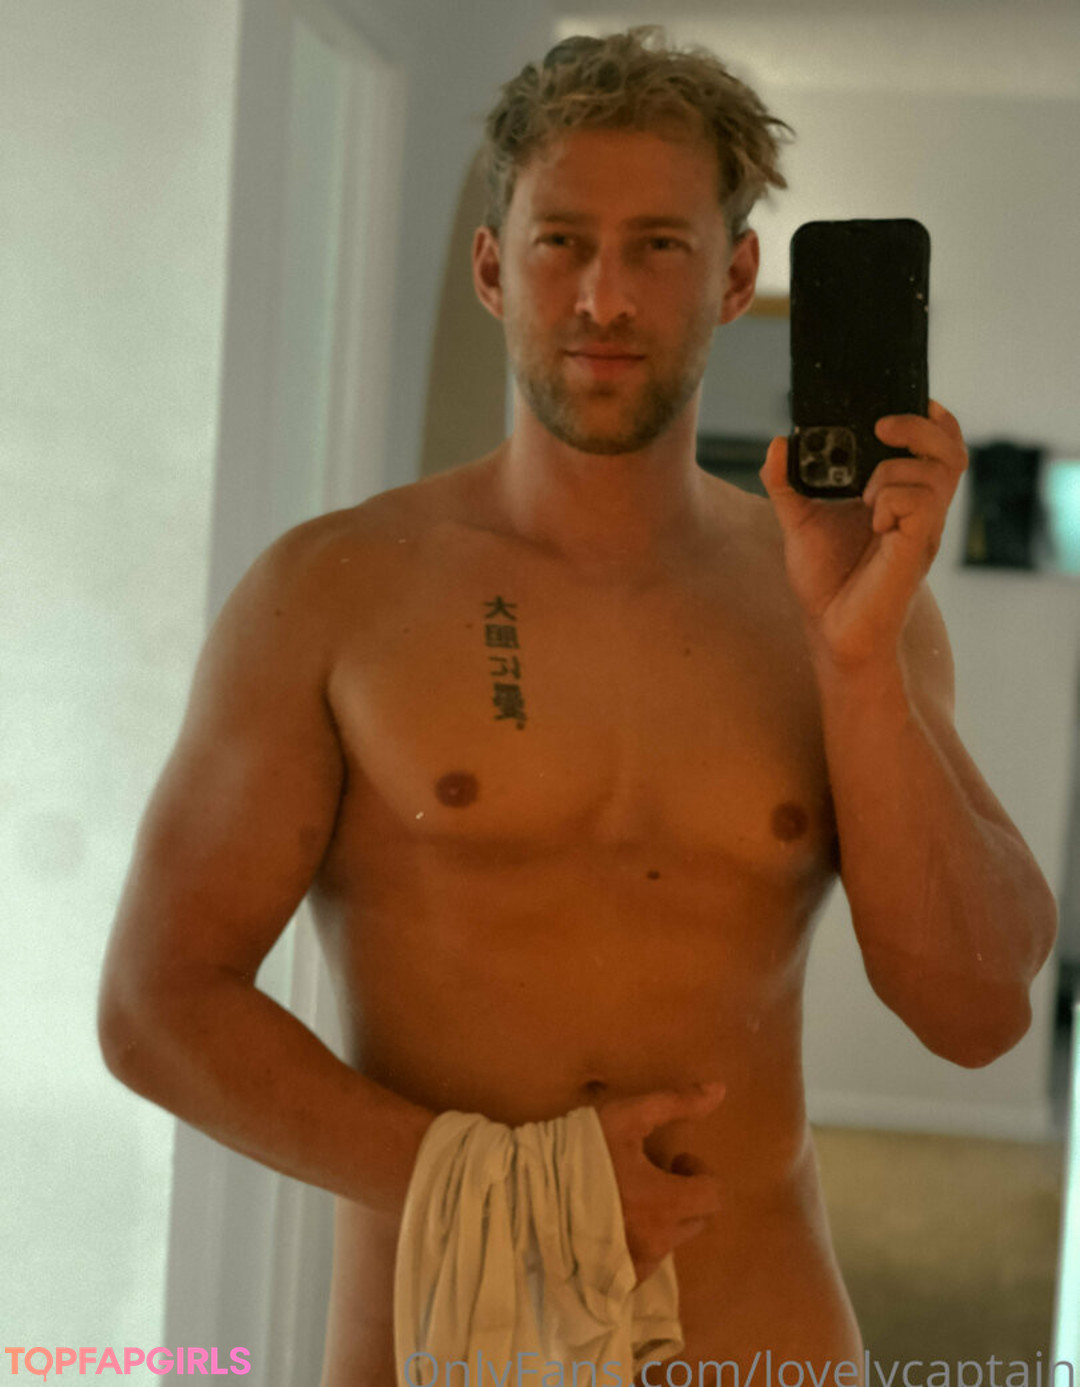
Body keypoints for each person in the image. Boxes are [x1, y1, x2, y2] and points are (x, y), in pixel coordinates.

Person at [97, 25, 1058, 1387]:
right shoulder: (334, 591)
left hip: (758, 1345)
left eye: (660, 246)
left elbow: (976, 1015)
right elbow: (156, 1006)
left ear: (735, 278)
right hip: (446, 1351)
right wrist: (505, 1188)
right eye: (563, 242)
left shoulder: (844, 602)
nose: (605, 296)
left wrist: (857, 663)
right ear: (495, 268)